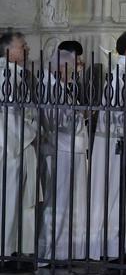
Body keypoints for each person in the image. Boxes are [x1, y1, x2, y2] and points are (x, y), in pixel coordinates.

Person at [88, 29, 126, 265]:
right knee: (116, 194)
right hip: (118, 143)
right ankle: (112, 248)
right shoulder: (120, 75)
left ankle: (124, 246)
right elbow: (115, 114)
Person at [39, 40, 88, 262]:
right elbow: (55, 119)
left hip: (73, 149)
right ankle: (50, 253)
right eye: (76, 62)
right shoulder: (49, 85)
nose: (79, 66)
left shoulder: (64, 85)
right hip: (61, 149)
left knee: (71, 204)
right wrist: (78, 114)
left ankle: (67, 251)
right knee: (57, 203)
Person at [1, 29, 36, 265]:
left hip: (19, 143)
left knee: (17, 201)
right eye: (21, 45)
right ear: (7, 50)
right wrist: (32, 130)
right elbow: (11, 116)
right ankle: (5, 250)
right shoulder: (5, 75)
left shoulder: (18, 74)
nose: (26, 49)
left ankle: (12, 249)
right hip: (11, 144)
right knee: (8, 198)